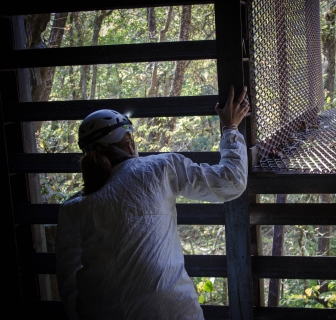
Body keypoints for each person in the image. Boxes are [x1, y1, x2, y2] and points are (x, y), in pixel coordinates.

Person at [55, 85, 250, 320]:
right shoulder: (159, 168)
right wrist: (230, 128)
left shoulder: (73, 208)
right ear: (129, 145)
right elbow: (232, 181)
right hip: (174, 312)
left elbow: (68, 281)